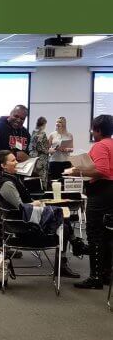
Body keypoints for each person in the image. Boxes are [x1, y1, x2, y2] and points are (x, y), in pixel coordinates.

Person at [0, 150, 82, 278]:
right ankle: (71, 252)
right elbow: (21, 207)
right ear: (3, 166)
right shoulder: (6, 183)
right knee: (62, 221)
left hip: (23, 221)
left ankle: (74, 248)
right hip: (24, 225)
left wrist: (38, 203)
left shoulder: (10, 179)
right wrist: (37, 204)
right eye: (13, 160)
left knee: (61, 218)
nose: (17, 162)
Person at [69, 115, 113, 289]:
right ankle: (105, 274)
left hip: (101, 192)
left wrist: (78, 171)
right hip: (111, 192)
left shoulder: (101, 145)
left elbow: (101, 170)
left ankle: (95, 277)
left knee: (95, 234)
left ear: (98, 130)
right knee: (108, 234)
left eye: (93, 130)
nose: (92, 133)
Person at [0, 105, 31, 173]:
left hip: (20, 173)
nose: (18, 120)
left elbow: (28, 151)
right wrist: (14, 155)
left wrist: (27, 157)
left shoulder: (25, 133)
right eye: (16, 116)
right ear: (10, 114)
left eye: (22, 118)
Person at [48, 117, 74, 182]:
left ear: (64, 124)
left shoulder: (69, 135)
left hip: (66, 162)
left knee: (65, 182)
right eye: (57, 122)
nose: (57, 123)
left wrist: (65, 149)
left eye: (60, 122)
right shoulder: (52, 134)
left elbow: (72, 148)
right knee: (55, 182)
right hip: (54, 161)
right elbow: (47, 148)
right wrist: (52, 149)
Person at [29, 116, 50, 189]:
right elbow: (40, 146)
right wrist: (49, 151)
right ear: (44, 124)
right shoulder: (42, 133)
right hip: (41, 158)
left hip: (33, 157)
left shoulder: (33, 132)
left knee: (35, 177)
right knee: (42, 179)